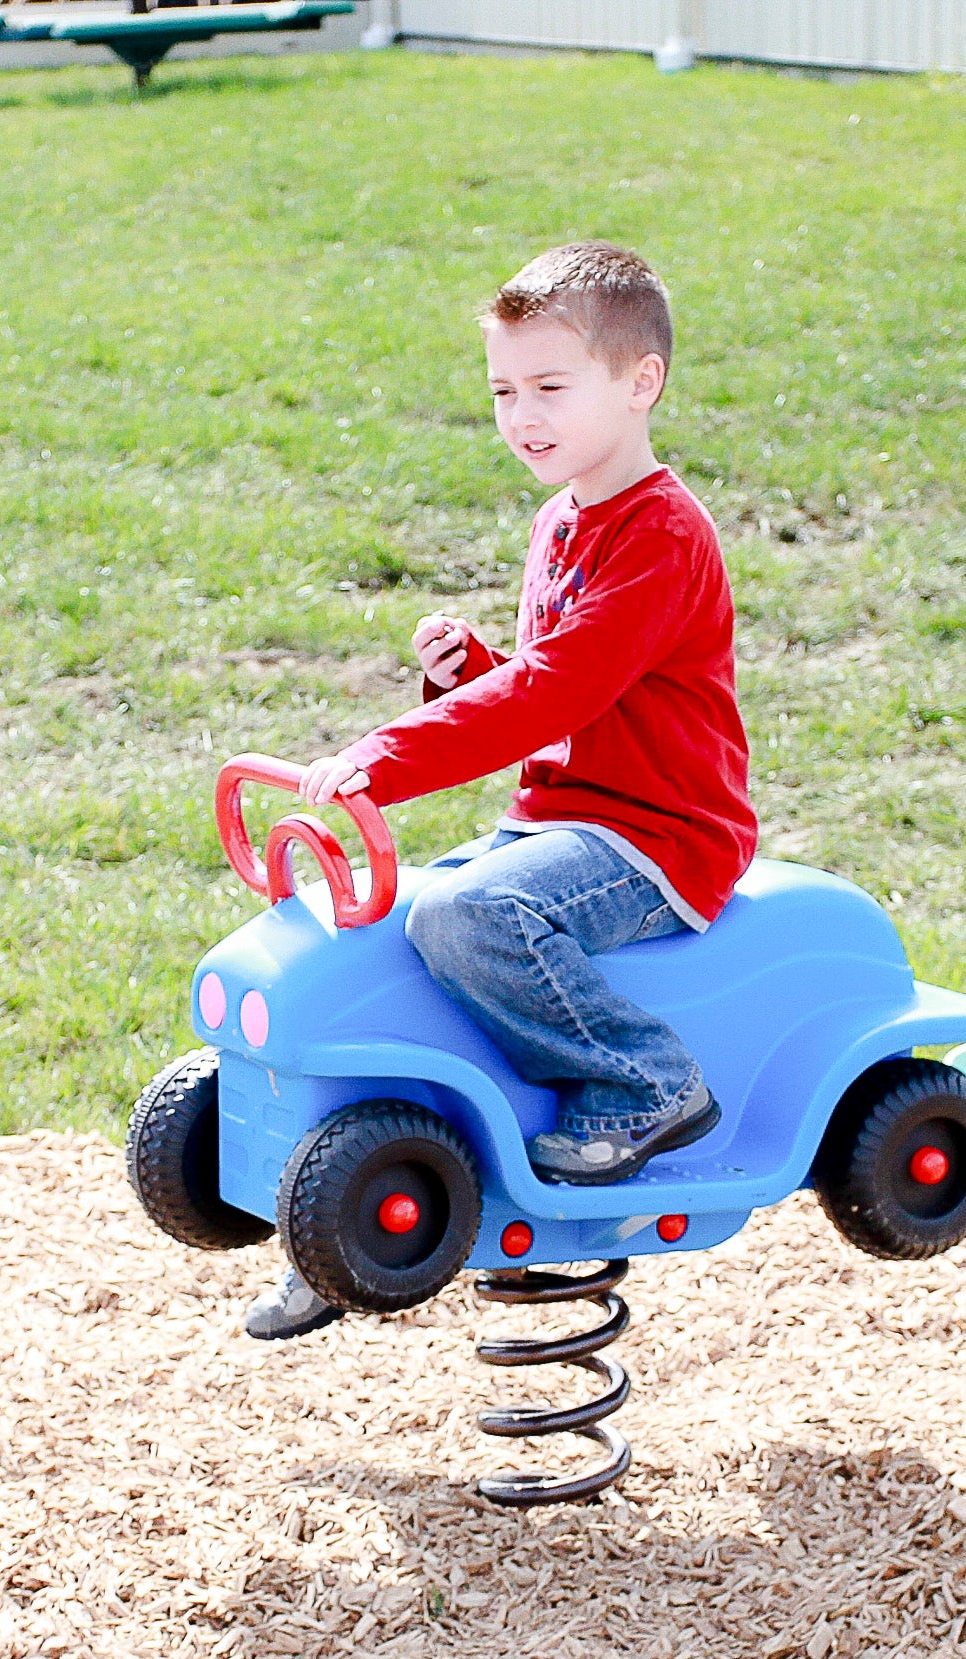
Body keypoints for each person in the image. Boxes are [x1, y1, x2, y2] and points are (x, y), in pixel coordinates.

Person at [244, 240, 757, 1342]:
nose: (522, 414)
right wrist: (471, 673)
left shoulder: (663, 534)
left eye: (550, 388)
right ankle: (333, 1212)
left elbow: (553, 692)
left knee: (471, 912)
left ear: (639, 383)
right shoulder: (564, 517)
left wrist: (391, 750)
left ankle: (651, 1080)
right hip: (566, 817)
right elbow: (558, 696)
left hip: (659, 836)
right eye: (503, 391)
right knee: (374, 931)